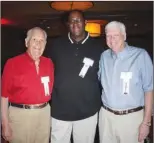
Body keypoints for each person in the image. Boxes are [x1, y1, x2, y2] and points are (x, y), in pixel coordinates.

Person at [46, 10, 104, 143]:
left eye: (78, 20)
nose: (75, 23)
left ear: (85, 22)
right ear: (67, 24)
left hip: (87, 112)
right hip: (59, 112)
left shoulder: (98, 48)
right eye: (71, 21)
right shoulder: (56, 45)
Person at [98, 21, 153, 143]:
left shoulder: (140, 55)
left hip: (131, 119)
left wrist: (146, 122)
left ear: (124, 36)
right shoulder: (104, 57)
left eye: (115, 35)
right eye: (108, 36)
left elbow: (149, 89)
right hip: (106, 117)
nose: (111, 39)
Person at [1, 27, 54, 143]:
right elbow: (4, 96)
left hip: (44, 113)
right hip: (21, 116)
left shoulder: (49, 63)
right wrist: (4, 123)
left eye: (42, 41)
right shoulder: (12, 63)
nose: (38, 44)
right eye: (34, 39)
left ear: (45, 44)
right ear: (26, 42)